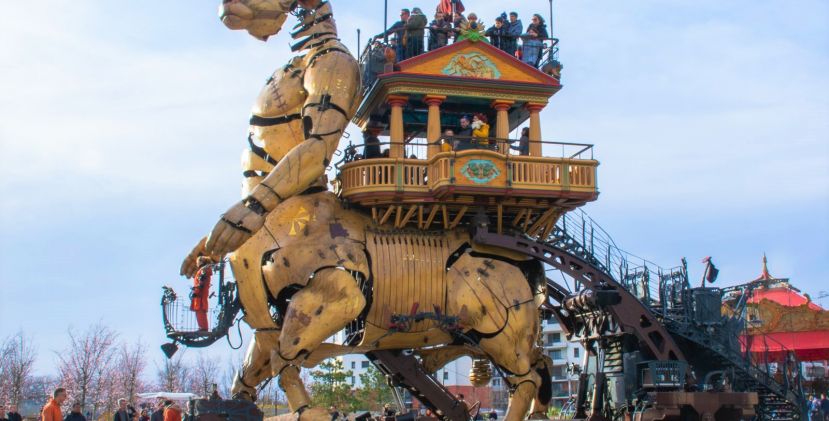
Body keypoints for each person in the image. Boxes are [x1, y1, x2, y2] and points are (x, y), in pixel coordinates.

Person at [191, 257, 212, 332]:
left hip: (200, 293)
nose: (197, 263)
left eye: (198, 261)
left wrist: (196, 291)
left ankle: (203, 328)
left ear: (202, 261)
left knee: (200, 310)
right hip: (200, 293)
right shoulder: (204, 269)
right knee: (199, 310)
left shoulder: (203, 270)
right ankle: (202, 327)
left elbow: (201, 281)